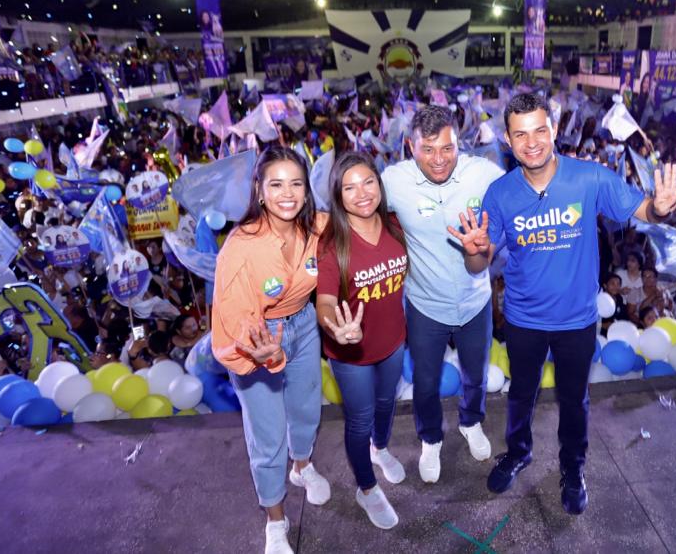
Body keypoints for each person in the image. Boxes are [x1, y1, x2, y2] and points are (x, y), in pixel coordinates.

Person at [448, 93, 676, 515]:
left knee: (574, 400)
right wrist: (473, 249)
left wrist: (661, 209)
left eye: (540, 130)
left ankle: (572, 468)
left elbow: (643, 209)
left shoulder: (589, 178)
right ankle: (518, 452)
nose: (533, 142)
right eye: (521, 134)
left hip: (577, 321)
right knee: (521, 395)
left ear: (554, 130)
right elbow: (478, 263)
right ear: (507, 139)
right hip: (523, 320)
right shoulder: (500, 194)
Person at [212, 146, 331, 554]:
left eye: (296, 183)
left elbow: (363, 231)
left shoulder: (316, 226)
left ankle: (303, 467)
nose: (287, 193)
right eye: (276, 183)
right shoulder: (241, 247)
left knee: (306, 410)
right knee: (267, 436)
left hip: (304, 325)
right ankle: (275, 521)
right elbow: (235, 319)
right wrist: (260, 353)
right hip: (258, 340)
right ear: (259, 191)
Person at [381, 105, 504, 483]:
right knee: (427, 383)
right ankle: (430, 438)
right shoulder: (392, 180)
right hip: (424, 306)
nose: (439, 160)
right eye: (428, 149)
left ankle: (471, 422)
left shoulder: (481, 174)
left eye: (447, 148)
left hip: (475, 302)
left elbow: (518, 200)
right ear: (410, 147)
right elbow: (354, 210)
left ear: (459, 144)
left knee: (475, 376)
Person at [317, 152, 409, 530]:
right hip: (350, 352)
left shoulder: (394, 224)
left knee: (386, 406)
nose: (361, 193)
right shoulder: (332, 243)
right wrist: (334, 327)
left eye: (368, 182)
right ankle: (367, 489)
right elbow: (324, 300)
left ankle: (381, 448)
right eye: (349, 187)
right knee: (360, 420)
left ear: (379, 183)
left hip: (393, 341)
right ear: (338, 196)